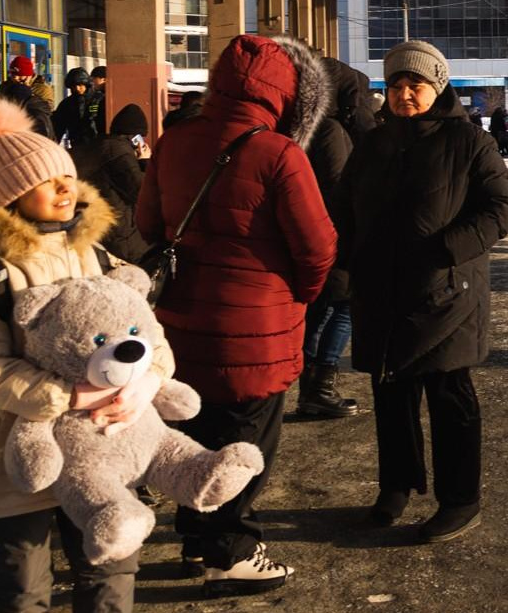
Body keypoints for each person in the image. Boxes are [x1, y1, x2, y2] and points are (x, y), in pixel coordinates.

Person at [0, 98, 169, 613]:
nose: (68, 187)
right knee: (21, 591)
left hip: (97, 448)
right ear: (12, 194)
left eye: (68, 176)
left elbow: (148, 334)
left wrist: (146, 382)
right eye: (50, 181)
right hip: (6, 454)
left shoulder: (95, 254)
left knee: (111, 569)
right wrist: (68, 393)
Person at [135, 35, 336, 596]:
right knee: (246, 446)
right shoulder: (278, 153)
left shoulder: (173, 143)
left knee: (193, 438)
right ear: (284, 95)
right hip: (256, 331)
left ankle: (197, 543)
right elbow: (317, 246)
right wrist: (298, 294)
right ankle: (233, 552)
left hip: (183, 323)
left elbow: (148, 224)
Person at [332, 40, 508, 544]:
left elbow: (499, 209)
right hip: (382, 291)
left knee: (449, 397)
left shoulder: (470, 143)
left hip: (446, 294)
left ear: (438, 87)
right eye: (395, 85)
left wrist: (446, 250)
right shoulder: (372, 144)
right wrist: (351, 255)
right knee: (390, 394)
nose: (405, 94)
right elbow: (343, 207)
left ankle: (460, 500)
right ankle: (396, 488)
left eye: (416, 85)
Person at [296, 56, 376, 420]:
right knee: (340, 308)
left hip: (312, 232)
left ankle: (311, 386)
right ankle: (318, 387)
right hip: (337, 234)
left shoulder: (304, 125)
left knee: (323, 308)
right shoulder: (332, 131)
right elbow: (339, 186)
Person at [70, 103, 151, 263]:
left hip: (89, 229)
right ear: (134, 137)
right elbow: (142, 192)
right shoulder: (120, 154)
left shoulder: (96, 146)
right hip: (119, 235)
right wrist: (145, 162)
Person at [0, 56, 57, 141]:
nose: (15, 78)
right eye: (13, 74)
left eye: (19, 75)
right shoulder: (5, 87)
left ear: (29, 75)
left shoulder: (42, 88)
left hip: (34, 131)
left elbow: (47, 110)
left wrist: (27, 93)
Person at [53, 68, 94, 147]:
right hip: (77, 146)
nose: (77, 89)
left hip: (97, 146)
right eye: (74, 86)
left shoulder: (97, 99)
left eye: (80, 85)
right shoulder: (67, 104)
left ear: (86, 84)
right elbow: (58, 127)